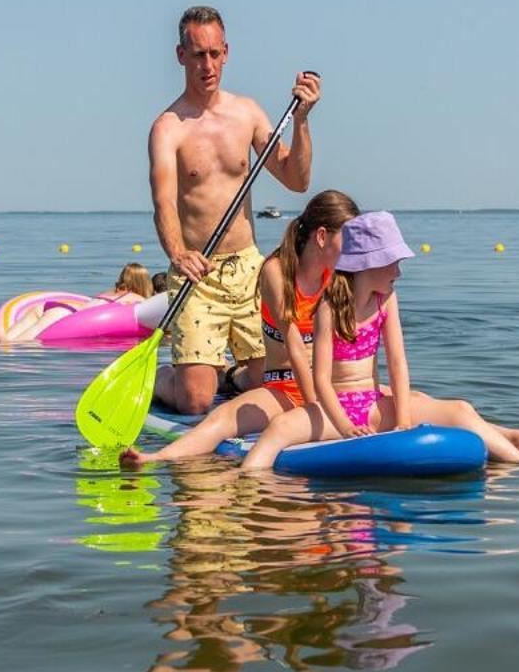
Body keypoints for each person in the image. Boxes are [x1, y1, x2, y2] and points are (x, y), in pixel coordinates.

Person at [241, 211, 519, 474]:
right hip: (336, 410)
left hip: (373, 404)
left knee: (461, 409)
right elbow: (321, 378)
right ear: (369, 264)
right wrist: (343, 426)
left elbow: (398, 364)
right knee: (280, 427)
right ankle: (250, 486)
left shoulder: (387, 300)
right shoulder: (328, 307)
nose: (399, 271)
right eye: (394, 263)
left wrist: (401, 419)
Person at [150, 5, 321, 414]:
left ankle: (230, 376)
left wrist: (301, 122)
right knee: (194, 401)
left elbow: (296, 180)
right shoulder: (168, 127)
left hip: (249, 269)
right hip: (198, 271)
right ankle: (160, 378)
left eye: (214, 54)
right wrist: (178, 254)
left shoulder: (247, 112)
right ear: (180, 55)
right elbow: (163, 202)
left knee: (275, 383)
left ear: (226, 52)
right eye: (197, 55)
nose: (207, 65)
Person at [121, 190, 359, 468]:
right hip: (284, 389)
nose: (356, 248)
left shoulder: (340, 275)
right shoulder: (276, 270)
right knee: (220, 418)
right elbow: (294, 344)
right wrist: (314, 409)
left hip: (329, 391)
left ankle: (230, 376)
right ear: (321, 237)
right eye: (349, 237)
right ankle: (155, 455)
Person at [0, 263, 156, 346]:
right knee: (8, 345)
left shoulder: (109, 292)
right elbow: (148, 317)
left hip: (48, 306)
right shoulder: (137, 299)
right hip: (62, 314)